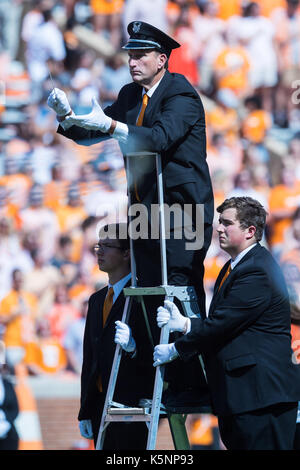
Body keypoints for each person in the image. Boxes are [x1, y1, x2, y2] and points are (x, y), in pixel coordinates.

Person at [47, 21, 214, 314]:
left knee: (177, 291)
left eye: (140, 55)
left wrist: (111, 125)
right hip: (144, 209)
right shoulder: (129, 95)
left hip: (182, 212)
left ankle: (188, 353)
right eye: (130, 56)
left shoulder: (180, 94)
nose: (132, 62)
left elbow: (159, 139)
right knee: (145, 290)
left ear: (162, 59)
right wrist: (67, 116)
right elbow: (92, 132)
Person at [153, 196, 300, 450]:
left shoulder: (257, 270)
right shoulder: (233, 267)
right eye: (219, 222)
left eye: (226, 223)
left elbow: (223, 324)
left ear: (250, 231)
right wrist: (188, 325)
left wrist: (179, 344)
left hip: (261, 399)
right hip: (243, 398)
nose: (219, 228)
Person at [78, 223, 154, 449]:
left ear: (126, 253)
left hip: (131, 404)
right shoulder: (96, 299)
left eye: (107, 246)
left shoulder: (143, 296)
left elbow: (154, 350)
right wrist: (85, 409)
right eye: (98, 246)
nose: (99, 252)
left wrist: (134, 347)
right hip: (100, 403)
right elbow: (89, 358)